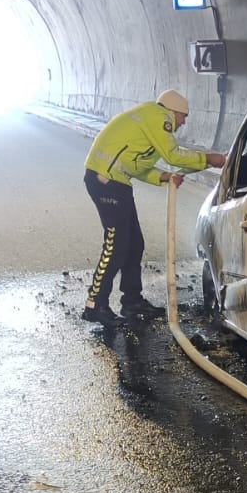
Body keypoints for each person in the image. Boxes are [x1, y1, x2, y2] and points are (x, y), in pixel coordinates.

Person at [83, 88, 226, 327]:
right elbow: (172, 154)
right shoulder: (159, 117)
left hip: (117, 182)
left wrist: (162, 177)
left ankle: (132, 301)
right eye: (183, 117)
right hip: (105, 181)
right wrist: (210, 159)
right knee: (115, 244)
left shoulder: (148, 123)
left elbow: (137, 165)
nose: (183, 123)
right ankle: (94, 304)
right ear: (174, 111)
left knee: (134, 244)